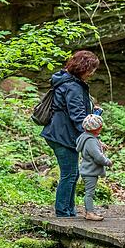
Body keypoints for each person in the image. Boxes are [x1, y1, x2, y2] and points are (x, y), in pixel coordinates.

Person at [41, 50, 99, 218]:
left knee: (72, 173)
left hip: (62, 133)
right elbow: (77, 116)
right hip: (62, 135)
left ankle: (68, 211)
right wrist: (93, 136)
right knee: (70, 174)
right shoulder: (72, 86)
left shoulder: (67, 81)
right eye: (91, 69)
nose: (92, 73)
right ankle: (63, 213)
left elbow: (74, 111)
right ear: (83, 67)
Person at [77, 114, 112, 221]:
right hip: (90, 172)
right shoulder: (91, 141)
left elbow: (94, 143)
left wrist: (101, 145)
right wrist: (107, 162)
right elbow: (98, 157)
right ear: (97, 129)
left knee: (89, 192)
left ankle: (89, 210)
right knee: (90, 193)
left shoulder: (85, 136)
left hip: (88, 170)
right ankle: (89, 213)